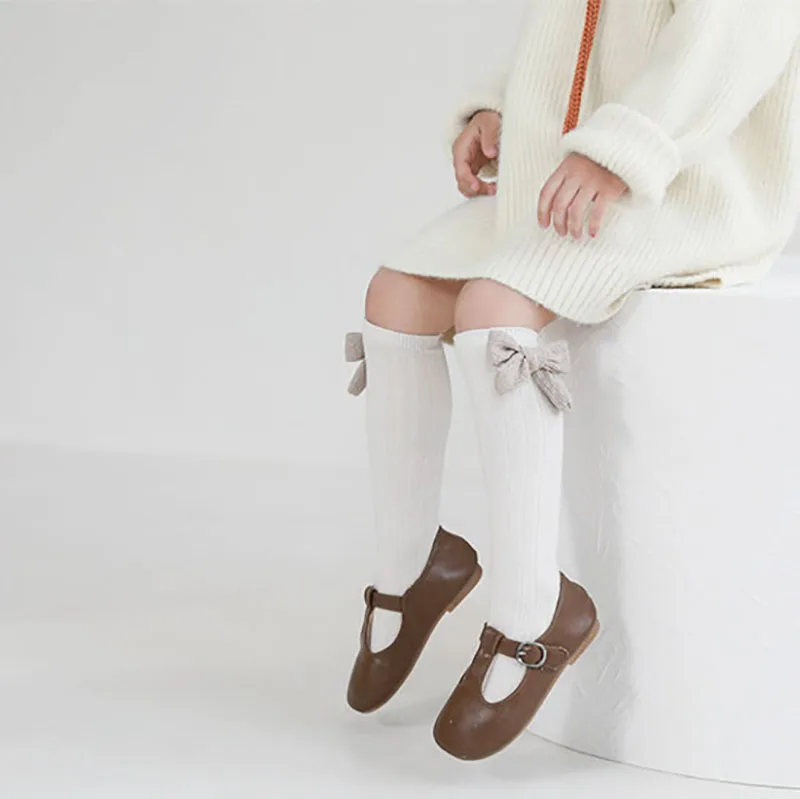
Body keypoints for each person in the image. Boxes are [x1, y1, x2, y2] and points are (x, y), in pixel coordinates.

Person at [344, 0, 800, 761]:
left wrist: (623, 150)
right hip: (580, 178)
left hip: (686, 185)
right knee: (395, 295)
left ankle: (534, 607)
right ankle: (413, 561)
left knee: (493, 309)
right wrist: (502, 110)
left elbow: (733, 38)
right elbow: (570, 34)